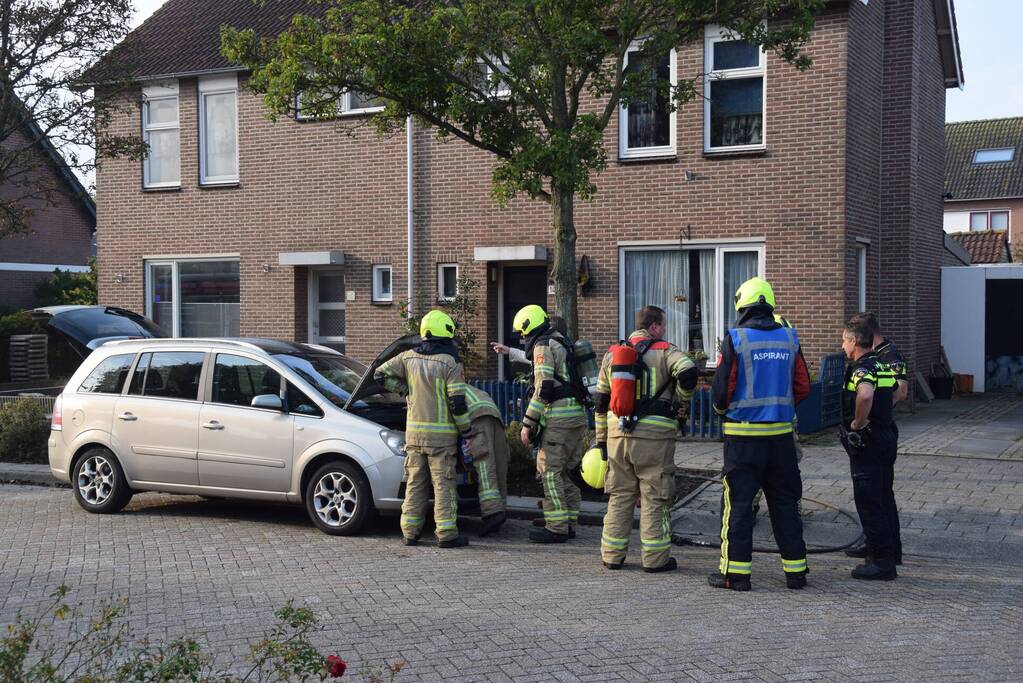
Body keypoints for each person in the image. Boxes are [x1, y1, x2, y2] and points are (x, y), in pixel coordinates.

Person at [709, 277, 811, 591]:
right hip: (781, 439)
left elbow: (720, 395)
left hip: (743, 440)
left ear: (742, 305)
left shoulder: (736, 339)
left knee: (738, 506)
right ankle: (796, 573)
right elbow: (803, 387)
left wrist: (724, 414)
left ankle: (735, 575)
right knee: (785, 504)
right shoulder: (789, 339)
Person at [593, 305, 698, 572]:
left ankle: (612, 556)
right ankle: (654, 559)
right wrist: (680, 403)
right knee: (654, 496)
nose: (663, 330)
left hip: (618, 435)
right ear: (653, 326)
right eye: (661, 325)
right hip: (654, 438)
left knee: (620, 495)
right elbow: (687, 371)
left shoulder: (612, 354)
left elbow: (600, 401)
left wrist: (602, 440)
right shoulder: (665, 349)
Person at [375, 310, 472, 548]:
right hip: (441, 440)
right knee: (443, 486)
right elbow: (457, 403)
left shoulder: (407, 357)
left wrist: (404, 390)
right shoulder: (450, 362)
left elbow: (379, 374)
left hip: (414, 436)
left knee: (415, 484)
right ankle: (447, 534)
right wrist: (466, 429)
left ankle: (410, 532)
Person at [515, 305, 588, 543]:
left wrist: (528, 423)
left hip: (559, 418)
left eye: (523, 333)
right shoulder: (561, 340)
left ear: (529, 327)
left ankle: (556, 527)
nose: (523, 338)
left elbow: (543, 387)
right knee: (564, 472)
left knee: (548, 472)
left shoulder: (542, 345)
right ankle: (568, 520)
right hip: (576, 415)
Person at [840, 317, 900, 579]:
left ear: (854, 341)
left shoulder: (862, 368)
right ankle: (889, 551)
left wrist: (857, 422)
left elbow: (865, 394)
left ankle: (881, 563)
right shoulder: (882, 365)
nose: (842, 346)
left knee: (869, 500)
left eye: (844, 340)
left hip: (869, 442)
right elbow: (896, 391)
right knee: (884, 495)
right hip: (886, 436)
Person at [752, 312, 806, 520]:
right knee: (789, 467)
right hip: (784, 419)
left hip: (752, 420)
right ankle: (793, 507)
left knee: (754, 468)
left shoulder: (748, 341)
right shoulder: (789, 343)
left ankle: (750, 506)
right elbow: (802, 385)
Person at [462, 384, 509, 536]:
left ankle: (492, 514)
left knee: (484, 464)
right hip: (493, 414)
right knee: (499, 463)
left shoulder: (441, 388)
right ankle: (500, 508)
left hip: (476, 418)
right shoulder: (465, 386)